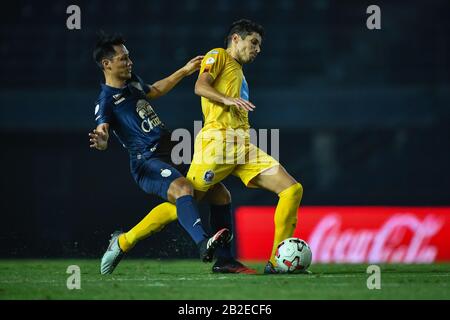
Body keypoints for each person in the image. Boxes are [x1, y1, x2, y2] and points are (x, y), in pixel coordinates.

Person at [89, 33, 241, 275]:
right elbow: (103, 131)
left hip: (171, 150)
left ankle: (225, 260)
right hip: (146, 160)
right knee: (183, 189)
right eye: (123, 59)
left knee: (220, 193)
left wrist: (184, 70)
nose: (130, 62)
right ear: (107, 64)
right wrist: (102, 141)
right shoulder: (105, 100)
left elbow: (156, 90)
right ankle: (203, 244)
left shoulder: (133, 84)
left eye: (129, 57)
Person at [186, 19, 304, 274]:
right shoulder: (217, 55)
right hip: (217, 144)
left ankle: (277, 263)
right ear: (236, 39)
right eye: (254, 42)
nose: (258, 49)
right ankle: (125, 241)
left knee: (292, 189)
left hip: (243, 146)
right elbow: (200, 86)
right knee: (185, 201)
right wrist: (228, 99)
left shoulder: (238, 72)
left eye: (259, 45)